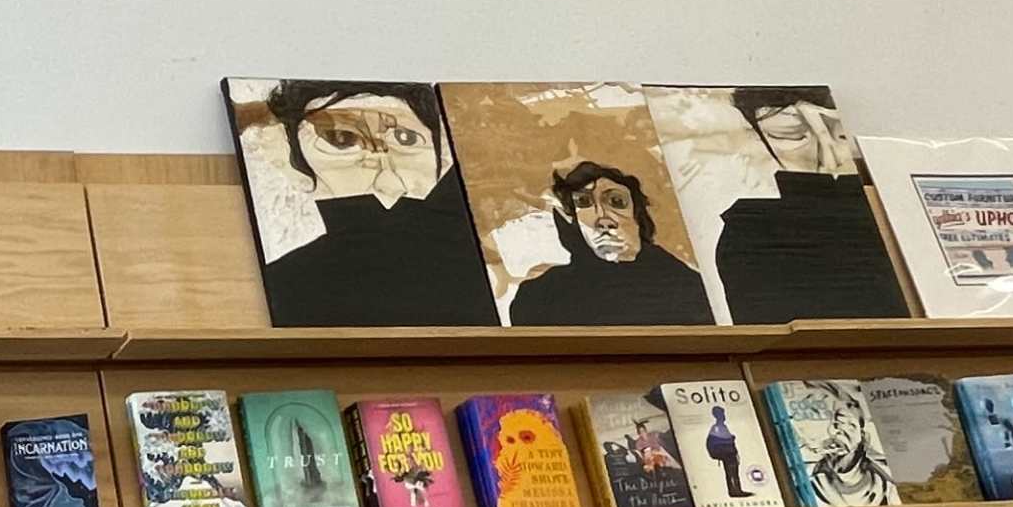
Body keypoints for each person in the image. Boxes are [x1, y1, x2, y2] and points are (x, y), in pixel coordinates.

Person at [245, 81, 495, 326]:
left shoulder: (488, 274)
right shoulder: (287, 286)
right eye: (341, 138)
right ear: (285, 156)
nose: (385, 177)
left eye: (406, 138)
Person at [705, 88, 906, 320]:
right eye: (790, 134)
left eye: (839, 136)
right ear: (758, 138)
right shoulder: (750, 233)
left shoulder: (884, 220)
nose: (829, 157)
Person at [502, 158, 716, 325]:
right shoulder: (540, 298)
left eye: (616, 201)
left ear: (638, 215)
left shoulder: (687, 287)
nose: (602, 218)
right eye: (584, 203)